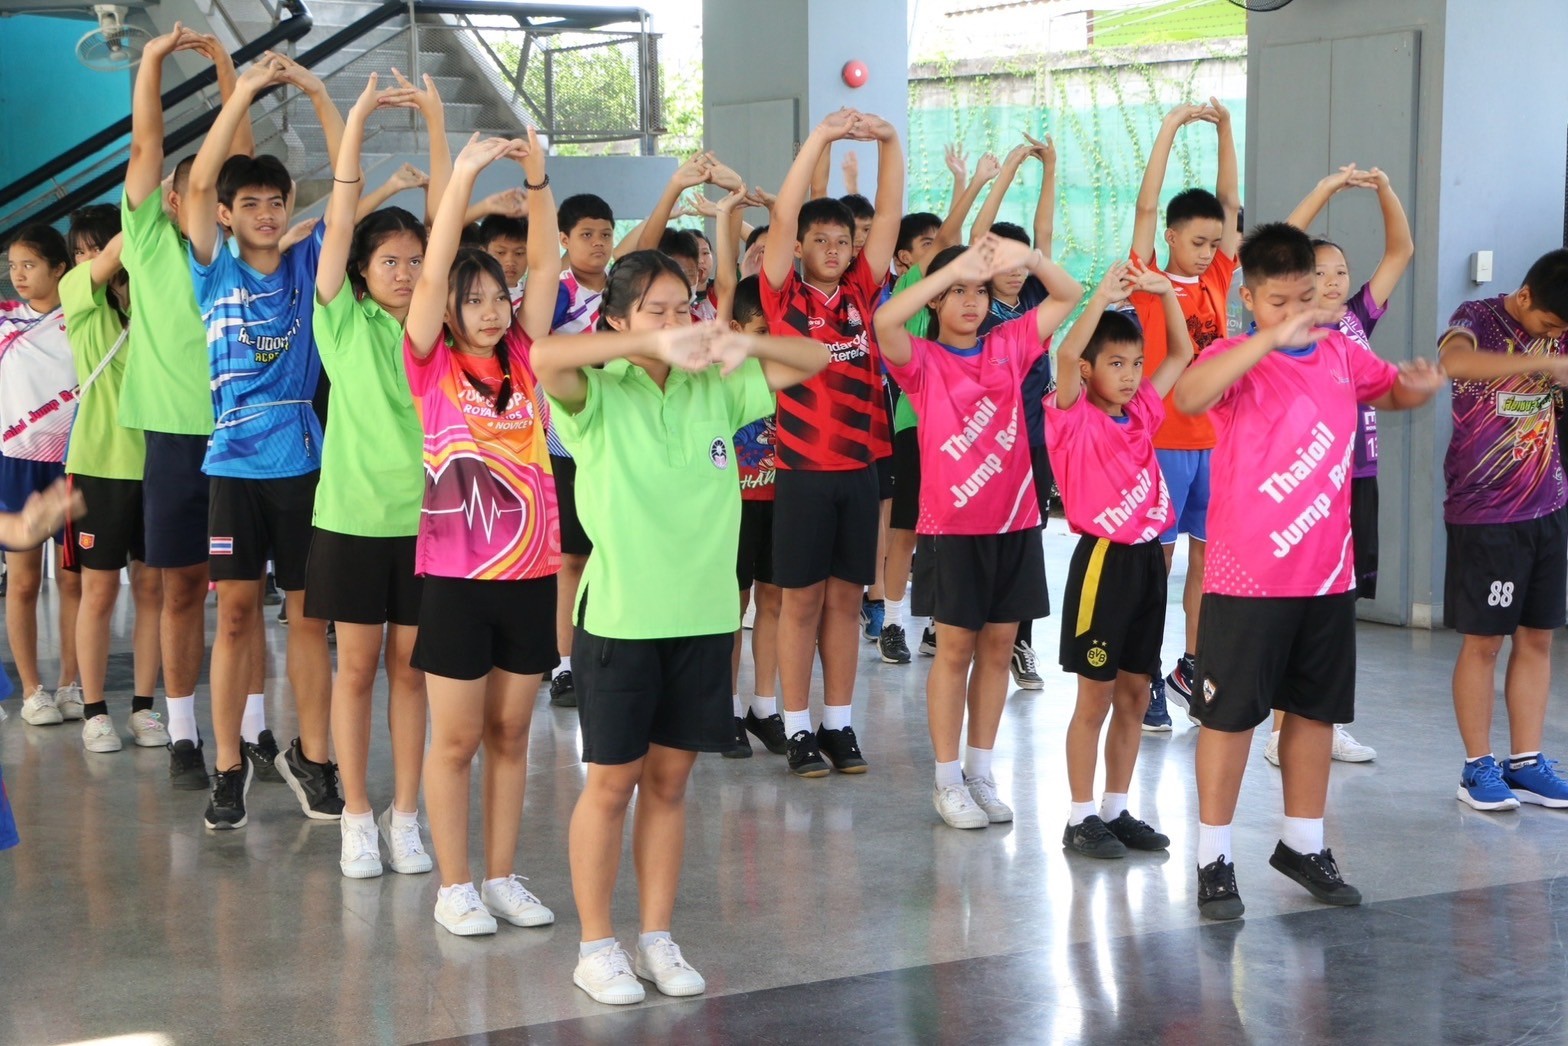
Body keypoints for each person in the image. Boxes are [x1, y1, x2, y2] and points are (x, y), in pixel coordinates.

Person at [534, 251, 827, 1006]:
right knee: (611, 785)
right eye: (656, 310)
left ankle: (656, 937)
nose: (676, 322)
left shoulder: (714, 386)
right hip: (622, 619)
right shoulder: (596, 389)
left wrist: (741, 340)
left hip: (703, 617)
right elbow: (544, 356)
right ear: (618, 320)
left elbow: (816, 358)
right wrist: (648, 345)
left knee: (668, 785)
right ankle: (596, 946)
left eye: (682, 308)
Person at [1170, 222, 1443, 921]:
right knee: (1230, 719)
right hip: (1247, 580)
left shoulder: (1342, 353)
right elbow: (1189, 396)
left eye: (1304, 298)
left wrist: (1416, 387)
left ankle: (1304, 843)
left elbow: (1390, 392)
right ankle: (1213, 858)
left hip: (1326, 577)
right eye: (1278, 302)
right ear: (1250, 299)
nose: (1295, 313)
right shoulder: (1234, 356)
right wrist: (1268, 339)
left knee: (1316, 713)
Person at [404, 131, 563, 936]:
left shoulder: (527, 356)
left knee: (511, 732)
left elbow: (546, 264)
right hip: (457, 580)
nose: (492, 310)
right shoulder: (430, 363)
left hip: (531, 574)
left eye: (497, 296)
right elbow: (434, 273)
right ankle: (455, 885)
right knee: (459, 737)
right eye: (474, 301)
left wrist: (537, 178)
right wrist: (463, 177)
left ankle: (501, 876)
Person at [184, 50, 346, 830]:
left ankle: (313, 757)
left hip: (303, 464)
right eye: (249, 203)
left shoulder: (309, 260)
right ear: (226, 214)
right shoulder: (212, 272)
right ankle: (227, 765)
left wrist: (315, 92)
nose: (267, 213)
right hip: (232, 467)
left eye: (276, 202)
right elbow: (195, 184)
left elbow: (346, 191)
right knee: (238, 616)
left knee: (311, 619)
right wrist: (245, 88)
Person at [875, 235, 1082, 829]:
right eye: (958, 292)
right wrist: (949, 272)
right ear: (936, 300)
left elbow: (1067, 294)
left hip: (1015, 521)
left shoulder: (1009, 345)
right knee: (955, 651)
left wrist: (1028, 258)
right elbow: (884, 320)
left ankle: (981, 772)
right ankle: (946, 781)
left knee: (997, 649)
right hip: (953, 528)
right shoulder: (921, 360)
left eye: (980, 291)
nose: (971, 302)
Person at [310, 72, 449, 879]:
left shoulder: (436, 328)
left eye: (415, 261)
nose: (403, 271)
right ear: (361, 271)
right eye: (388, 260)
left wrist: (435, 121)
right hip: (353, 521)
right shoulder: (340, 319)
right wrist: (357, 117)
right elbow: (339, 218)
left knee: (412, 674)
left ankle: (406, 816)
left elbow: (444, 215)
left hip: (430, 525)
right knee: (357, 669)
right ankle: (356, 816)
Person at [121, 21, 254, 790]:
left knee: (242, 596)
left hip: (242, 437)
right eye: (186, 187)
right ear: (169, 198)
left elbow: (238, 162)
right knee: (178, 588)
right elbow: (147, 144)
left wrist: (232, 71)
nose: (199, 196)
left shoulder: (230, 249)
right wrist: (150, 59)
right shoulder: (145, 239)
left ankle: (254, 730)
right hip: (174, 440)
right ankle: (180, 731)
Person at [762, 108, 903, 778]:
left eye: (841, 240)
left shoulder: (861, 293)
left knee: (847, 602)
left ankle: (839, 725)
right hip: (801, 473)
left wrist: (890, 143)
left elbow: (891, 215)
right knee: (801, 603)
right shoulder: (782, 295)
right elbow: (783, 213)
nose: (831, 248)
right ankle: (796, 728)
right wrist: (820, 137)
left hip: (859, 471)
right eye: (818, 239)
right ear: (798, 246)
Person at [1261, 163, 1416, 767]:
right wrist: (1323, 189)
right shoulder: (1291, 328)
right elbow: (1276, 248)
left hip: (1360, 477)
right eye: (1319, 272)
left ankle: (1320, 723)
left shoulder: (1357, 317)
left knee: (1338, 606)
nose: (1332, 281)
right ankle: (1279, 731)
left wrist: (1386, 191)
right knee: (1298, 604)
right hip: (1309, 487)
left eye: (1340, 272)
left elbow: (1401, 250)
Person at [1048, 262, 1190, 858]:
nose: (1131, 376)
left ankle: (1115, 808)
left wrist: (1166, 293)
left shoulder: (1143, 413)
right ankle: (1079, 817)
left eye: (1135, 364)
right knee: (1096, 698)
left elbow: (1181, 353)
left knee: (1135, 694)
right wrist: (1102, 296)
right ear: (1088, 370)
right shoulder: (1072, 416)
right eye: (1116, 363)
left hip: (1147, 564)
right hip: (1103, 564)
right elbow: (1065, 354)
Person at [1438, 249, 1568, 812]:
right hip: (1487, 513)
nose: (1554, 336)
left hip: (1548, 505)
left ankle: (1527, 762)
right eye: (1549, 324)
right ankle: (1477, 768)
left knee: (1538, 637)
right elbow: (1454, 363)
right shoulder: (1477, 318)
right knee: (1485, 642)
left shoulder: (1560, 332)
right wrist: (1542, 366)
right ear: (1525, 295)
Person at [1129, 99, 1241, 730]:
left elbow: (1229, 201)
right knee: (1159, 563)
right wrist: (1170, 126)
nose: (1206, 252)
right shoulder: (1148, 278)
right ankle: (1145, 670)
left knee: (1207, 560)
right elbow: (1147, 206)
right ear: (1171, 237)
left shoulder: (1219, 274)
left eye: (1214, 243)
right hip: (1165, 439)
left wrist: (1224, 128)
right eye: (1196, 242)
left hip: (1213, 441)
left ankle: (1189, 667)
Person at [58, 209, 165, 754]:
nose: (86, 259)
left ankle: (144, 708)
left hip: (160, 463)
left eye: (93, 248)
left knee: (151, 589)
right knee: (97, 591)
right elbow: (111, 258)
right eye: (78, 251)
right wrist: (149, 206)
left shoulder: (155, 298)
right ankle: (95, 711)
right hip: (99, 465)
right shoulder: (77, 292)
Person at [972, 131, 1060, 687]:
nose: (1017, 269)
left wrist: (1049, 168)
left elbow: (1043, 237)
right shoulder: (975, 303)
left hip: (1034, 440)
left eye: (1022, 261)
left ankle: (1019, 641)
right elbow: (979, 234)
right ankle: (971, 629)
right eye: (1005, 260)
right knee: (983, 539)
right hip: (984, 443)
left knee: (1029, 541)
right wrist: (1005, 171)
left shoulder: (1033, 299)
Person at [714, 187, 787, 759]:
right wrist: (726, 216)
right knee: (732, 609)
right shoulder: (723, 372)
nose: (767, 343)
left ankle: (765, 706)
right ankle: (727, 709)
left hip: (781, 504)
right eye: (758, 332)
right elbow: (723, 285)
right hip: (734, 508)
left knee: (775, 604)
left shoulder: (786, 373)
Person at [3, 223, 84, 729]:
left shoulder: (85, 317)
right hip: (15, 461)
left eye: (29, 265)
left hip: (73, 461)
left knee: (74, 581)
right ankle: (33, 691)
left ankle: (72, 683)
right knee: (23, 582)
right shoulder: (5, 321)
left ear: (59, 268)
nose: (19, 275)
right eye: (13, 266)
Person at [546, 191, 616, 708]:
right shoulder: (556, 293)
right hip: (565, 443)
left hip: (618, 441)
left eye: (606, 234)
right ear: (564, 240)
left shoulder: (625, 292)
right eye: (586, 234)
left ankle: (612, 651)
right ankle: (565, 665)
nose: (598, 243)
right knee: (572, 558)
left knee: (614, 551)